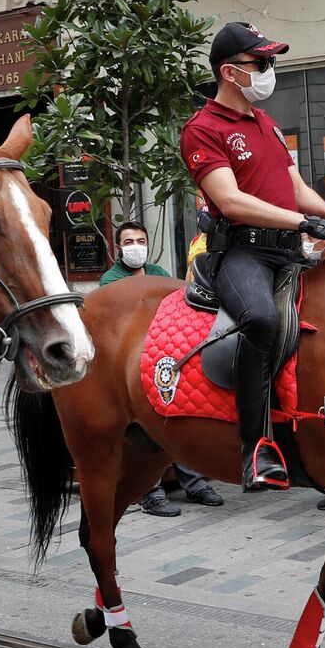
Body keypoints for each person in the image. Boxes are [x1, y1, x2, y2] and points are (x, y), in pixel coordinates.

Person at [179, 21, 325, 490]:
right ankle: (256, 448)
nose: (269, 70)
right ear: (229, 72)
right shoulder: (203, 130)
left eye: (271, 62)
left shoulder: (268, 125)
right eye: (261, 63)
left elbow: (294, 188)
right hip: (241, 254)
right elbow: (231, 201)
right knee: (259, 319)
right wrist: (303, 223)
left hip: (287, 252)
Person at [98, 221, 226, 516]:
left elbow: (176, 310)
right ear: (118, 249)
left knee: (176, 418)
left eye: (141, 240)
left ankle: (194, 482)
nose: (136, 247)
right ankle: (149, 493)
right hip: (130, 363)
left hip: (162, 356)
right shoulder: (111, 280)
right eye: (129, 242)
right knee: (146, 425)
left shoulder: (158, 274)